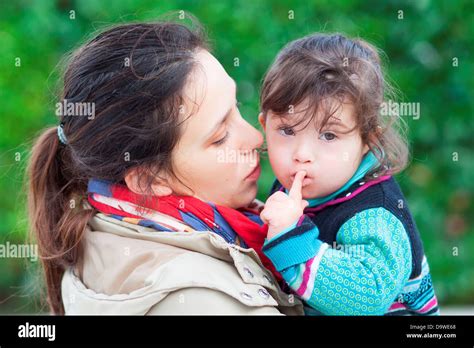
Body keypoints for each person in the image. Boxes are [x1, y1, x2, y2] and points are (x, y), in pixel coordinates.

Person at [27, 20, 303, 315]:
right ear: (148, 180)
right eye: (220, 138)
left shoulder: (97, 235)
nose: (256, 138)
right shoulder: (211, 304)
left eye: (235, 107)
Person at [258, 33, 439, 315]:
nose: (302, 153)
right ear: (264, 125)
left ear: (368, 139)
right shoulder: (294, 188)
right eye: (287, 130)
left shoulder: (373, 214)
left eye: (329, 135)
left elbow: (366, 300)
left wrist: (290, 241)